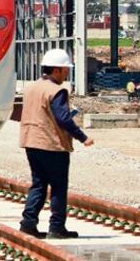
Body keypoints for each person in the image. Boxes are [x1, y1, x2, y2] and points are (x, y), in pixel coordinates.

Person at [19, 49, 94, 239]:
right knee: (59, 186)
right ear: (56, 70)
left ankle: (28, 223)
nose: (67, 73)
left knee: (38, 184)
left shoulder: (31, 87)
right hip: (52, 144)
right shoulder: (57, 90)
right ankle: (57, 227)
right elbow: (63, 119)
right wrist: (83, 137)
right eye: (65, 70)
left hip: (31, 142)